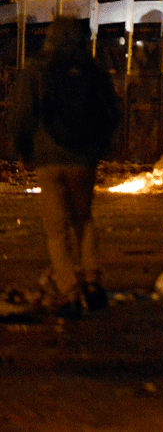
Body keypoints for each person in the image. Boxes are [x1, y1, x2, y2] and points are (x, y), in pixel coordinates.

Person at [8, 16, 120, 318]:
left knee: (56, 231)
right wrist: (99, 148)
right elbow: (111, 111)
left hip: (48, 158)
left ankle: (69, 289)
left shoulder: (36, 69)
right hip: (83, 159)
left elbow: (21, 114)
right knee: (83, 219)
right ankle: (93, 282)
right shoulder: (93, 70)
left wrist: (23, 150)